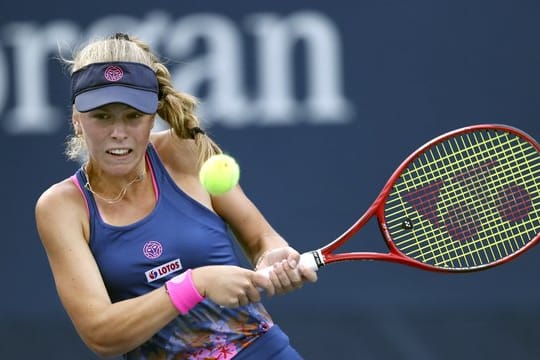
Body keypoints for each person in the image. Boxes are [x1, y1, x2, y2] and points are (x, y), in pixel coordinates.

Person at [35, 33, 317, 359]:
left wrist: (274, 256)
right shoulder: (61, 207)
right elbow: (101, 334)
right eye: (102, 116)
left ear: (152, 116)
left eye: (133, 116)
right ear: (77, 120)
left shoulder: (186, 150)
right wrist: (194, 284)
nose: (118, 132)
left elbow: (261, 239)